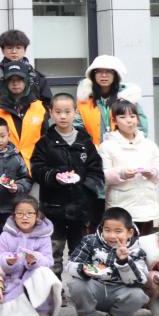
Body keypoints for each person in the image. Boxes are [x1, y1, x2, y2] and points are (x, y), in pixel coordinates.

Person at [30, 93, 104, 277]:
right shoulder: (44, 142)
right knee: (53, 250)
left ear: (75, 113)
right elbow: (37, 169)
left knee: (80, 250)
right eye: (58, 112)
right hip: (53, 207)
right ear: (51, 113)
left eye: (67, 112)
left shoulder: (85, 141)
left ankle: (79, 286)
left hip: (81, 208)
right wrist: (54, 177)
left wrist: (86, 189)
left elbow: (96, 170)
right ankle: (54, 287)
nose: (63, 116)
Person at [66, 206, 148, 316]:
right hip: (94, 288)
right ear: (101, 228)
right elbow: (70, 265)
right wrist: (83, 269)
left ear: (129, 233)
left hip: (119, 292)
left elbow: (140, 281)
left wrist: (124, 261)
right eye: (107, 230)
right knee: (76, 284)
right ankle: (86, 314)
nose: (112, 236)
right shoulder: (90, 241)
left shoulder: (136, 251)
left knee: (138, 295)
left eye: (118, 231)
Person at [0, 198, 62, 316]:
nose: (24, 217)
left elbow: (48, 261)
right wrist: (8, 262)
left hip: (33, 280)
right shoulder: (6, 235)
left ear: (37, 215)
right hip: (11, 283)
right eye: (20, 213)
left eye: (29, 213)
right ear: (13, 216)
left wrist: (34, 260)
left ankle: (43, 313)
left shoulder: (43, 237)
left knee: (44, 272)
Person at [98, 100, 159, 236]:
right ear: (114, 120)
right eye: (122, 117)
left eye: (132, 116)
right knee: (122, 244)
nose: (129, 121)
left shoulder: (149, 145)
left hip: (147, 205)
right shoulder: (107, 146)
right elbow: (102, 176)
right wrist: (121, 173)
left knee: (145, 244)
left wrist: (152, 173)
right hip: (121, 206)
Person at [0, 61, 48, 170]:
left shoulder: (39, 107)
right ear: (5, 82)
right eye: (11, 79)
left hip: (34, 169)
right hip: (2, 170)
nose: (15, 83)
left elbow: (45, 140)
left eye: (19, 79)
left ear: (27, 81)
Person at [76, 55, 149, 145]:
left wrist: (130, 146)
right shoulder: (84, 99)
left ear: (116, 74)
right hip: (93, 151)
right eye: (99, 71)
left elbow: (141, 128)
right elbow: (77, 128)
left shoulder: (128, 97)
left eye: (108, 71)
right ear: (93, 75)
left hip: (123, 150)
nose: (104, 75)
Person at [0, 29, 51, 114]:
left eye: (18, 47)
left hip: (32, 121)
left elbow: (48, 104)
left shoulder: (37, 77)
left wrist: (37, 117)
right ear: (3, 50)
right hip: (1, 120)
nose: (14, 51)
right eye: (9, 48)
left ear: (25, 50)